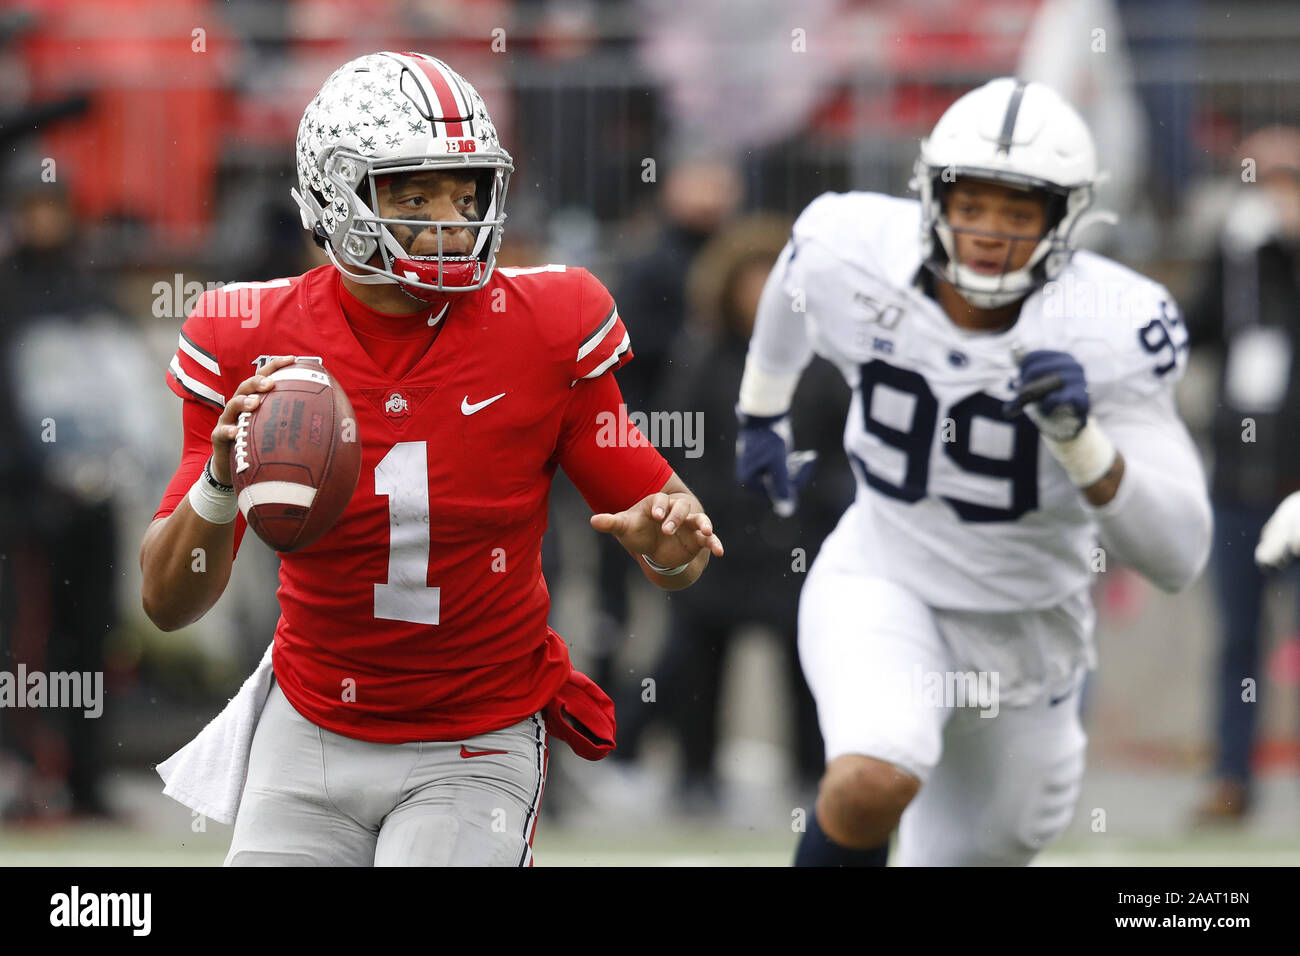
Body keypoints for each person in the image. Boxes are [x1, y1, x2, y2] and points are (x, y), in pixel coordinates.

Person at [139, 51, 723, 867]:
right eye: (415, 194)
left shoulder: (548, 324)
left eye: (467, 191)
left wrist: (672, 550)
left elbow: (668, 534)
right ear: (335, 195)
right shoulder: (247, 337)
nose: (454, 219)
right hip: (309, 729)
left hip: (474, 736)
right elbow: (167, 603)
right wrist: (219, 482)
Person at [735, 77, 1212, 866]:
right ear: (934, 200)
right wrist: (762, 412)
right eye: (973, 205)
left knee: (974, 852)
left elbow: (1177, 554)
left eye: (1018, 212)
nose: (989, 232)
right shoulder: (853, 246)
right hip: (886, 576)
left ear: (1063, 221)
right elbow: (793, 276)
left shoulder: (1113, 327)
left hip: (1029, 628)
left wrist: (1081, 438)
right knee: (868, 780)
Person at [1185, 125, 1300, 824]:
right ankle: (1231, 777)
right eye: (1258, 179)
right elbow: (1190, 332)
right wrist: (1230, 255)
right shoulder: (1235, 259)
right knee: (1235, 641)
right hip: (1236, 486)